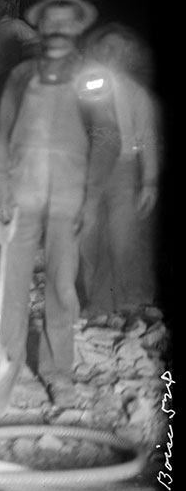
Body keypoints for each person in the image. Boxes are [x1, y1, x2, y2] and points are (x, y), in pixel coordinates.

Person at [0, 0, 99, 408]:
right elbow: (0, 133)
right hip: (22, 189)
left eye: (66, 22)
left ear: (77, 28)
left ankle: (59, 372)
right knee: (10, 281)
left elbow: (104, 134)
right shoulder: (20, 76)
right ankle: (7, 364)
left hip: (68, 193)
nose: (58, 28)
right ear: (42, 26)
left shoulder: (90, 76)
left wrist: (94, 195)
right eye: (50, 21)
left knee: (61, 283)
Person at [77, 23, 160, 316]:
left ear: (129, 55)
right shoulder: (91, 82)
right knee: (88, 237)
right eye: (108, 47)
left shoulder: (138, 94)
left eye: (121, 49)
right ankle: (96, 302)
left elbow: (147, 137)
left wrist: (149, 180)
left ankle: (126, 300)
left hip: (124, 171)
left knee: (120, 237)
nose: (114, 53)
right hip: (91, 171)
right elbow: (84, 113)